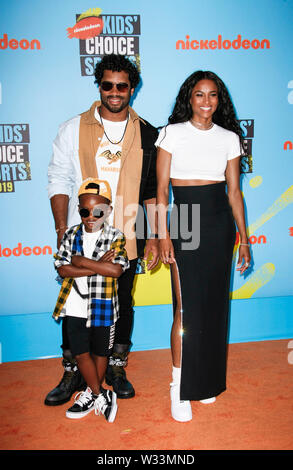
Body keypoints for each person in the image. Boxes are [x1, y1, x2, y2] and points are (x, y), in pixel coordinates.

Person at [46, 54, 159, 406]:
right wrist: (63, 228)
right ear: (99, 86)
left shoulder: (148, 133)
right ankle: (72, 370)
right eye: (107, 84)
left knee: (122, 303)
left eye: (121, 85)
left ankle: (115, 366)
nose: (114, 92)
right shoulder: (72, 128)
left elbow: (153, 190)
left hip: (125, 236)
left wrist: (154, 235)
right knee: (76, 304)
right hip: (83, 235)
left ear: (132, 88)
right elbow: (58, 179)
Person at [156, 70, 251, 422]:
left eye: (213, 95)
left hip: (218, 221)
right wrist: (163, 234)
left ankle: (205, 382)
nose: (206, 101)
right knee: (186, 308)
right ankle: (178, 386)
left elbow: (234, 192)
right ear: (189, 97)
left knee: (212, 307)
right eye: (199, 94)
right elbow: (162, 189)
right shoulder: (172, 134)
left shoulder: (229, 138)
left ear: (219, 99)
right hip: (184, 217)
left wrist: (243, 239)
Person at [53, 178, 129, 421]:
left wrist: (81, 262)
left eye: (98, 211)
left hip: (103, 305)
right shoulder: (71, 234)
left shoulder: (115, 236)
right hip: (75, 304)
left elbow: (117, 271)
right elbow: (62, 269)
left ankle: (90, 393)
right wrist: (98, 266)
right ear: (79, 210)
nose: (91, 216)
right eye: (85, 211)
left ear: (107, 210)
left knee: (100, 353)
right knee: (80, 352)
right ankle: (98, 394)